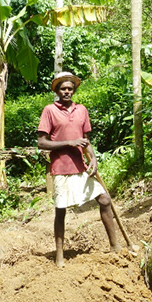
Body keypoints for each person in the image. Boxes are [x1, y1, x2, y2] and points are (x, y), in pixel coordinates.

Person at [37, 72, 121, 267]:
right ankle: (59, 255)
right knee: (61, 210)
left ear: (74, 90)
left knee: (105, 199)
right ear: (57, 91)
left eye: (70, 88)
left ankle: (115, 246)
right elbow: (42, 143)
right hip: (60, 167)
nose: (66, 92)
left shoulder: (81, 110)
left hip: (81, 166)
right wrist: (69, 143)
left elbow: (85, 141)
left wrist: (94, 159)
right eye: (63, 89)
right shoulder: (49, 110)